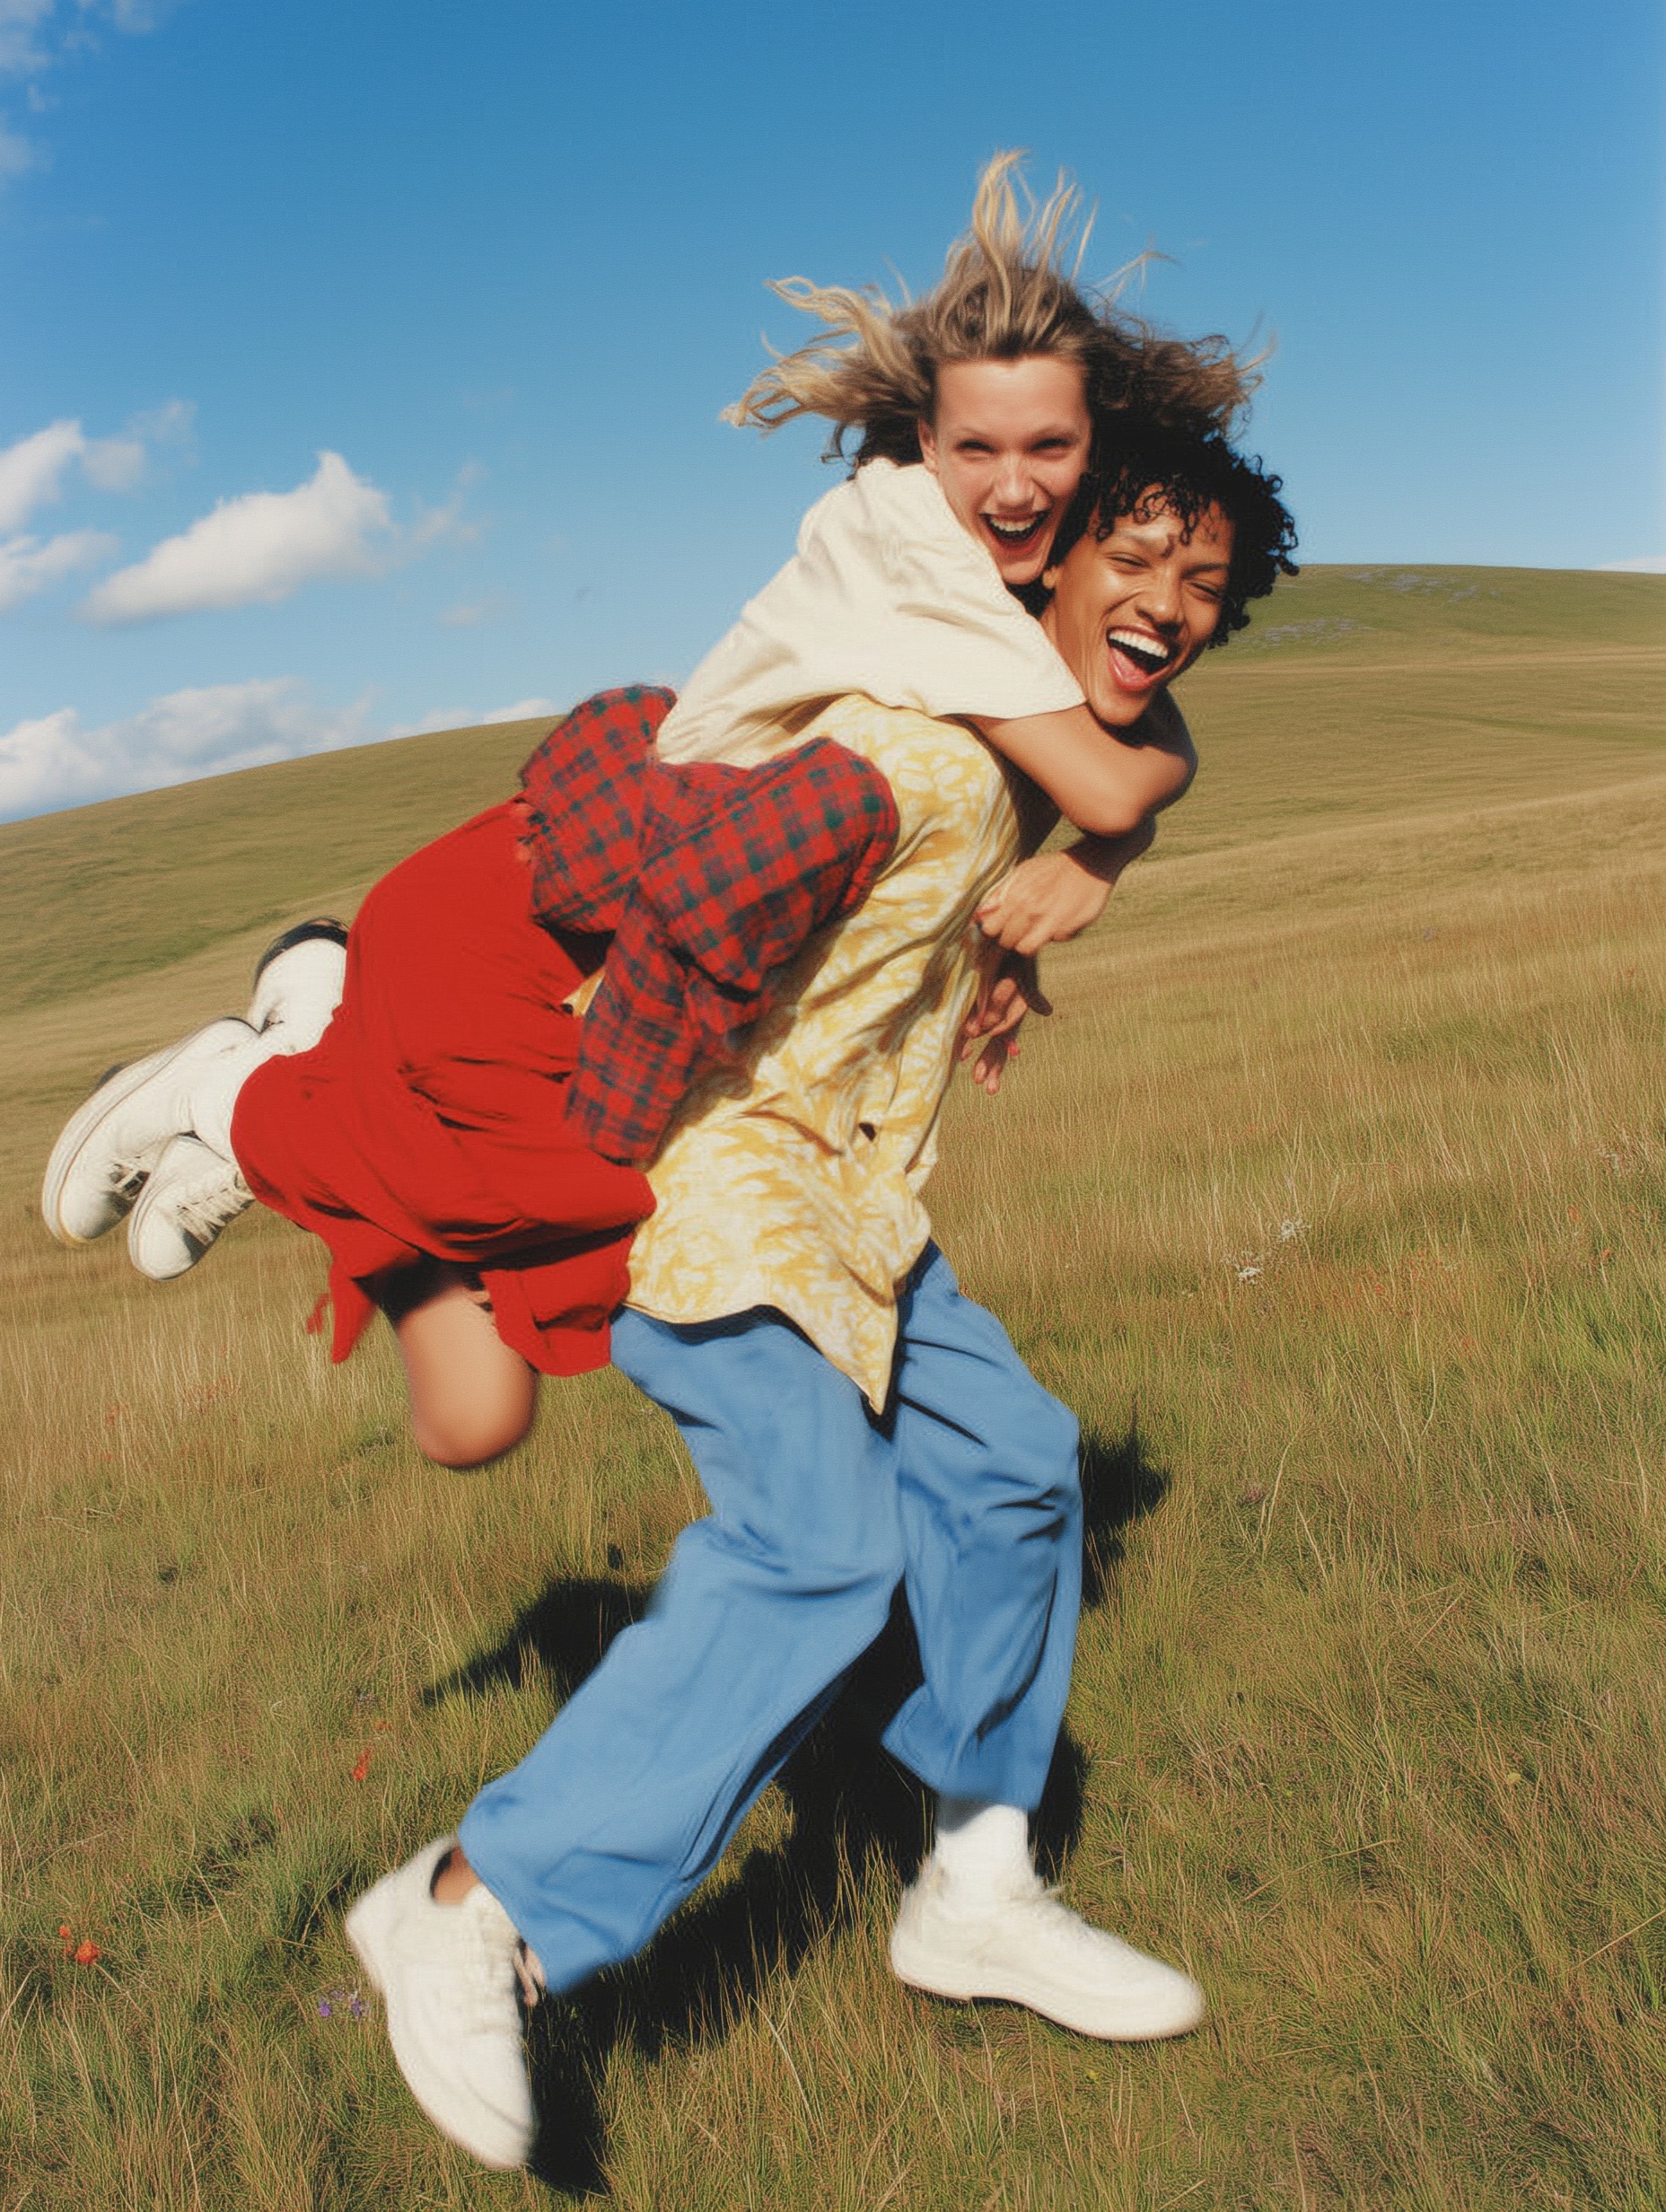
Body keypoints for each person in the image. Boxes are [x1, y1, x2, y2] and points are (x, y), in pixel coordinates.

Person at [340, 423, 1298, 2169]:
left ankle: (975, 1881)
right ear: (1044, 558)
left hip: (855, 1196)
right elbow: (679, 933)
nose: (1163, 608)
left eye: (1203, 591)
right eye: (1134, 560)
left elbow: (1138, 752)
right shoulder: (908, 744)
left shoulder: (1051, 739)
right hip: (709, 1175)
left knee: (1011, 1464)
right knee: (818, 1551)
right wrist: (584, 1198)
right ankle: (478, 1899)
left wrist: (1101, 846)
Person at [41, 154, 1251, 1467]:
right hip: (545, 923)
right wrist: (1110, 849)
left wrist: (1105, 847)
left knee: (474, 1422)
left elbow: (1142, 714)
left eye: (1050, 451)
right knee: (576, 1189)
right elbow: (1120, 770)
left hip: (647, 938)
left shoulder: (1012, 575)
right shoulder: (913, 546)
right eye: (978, 448)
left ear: (1094, 451)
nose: (1014, 486)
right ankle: (244, 1100)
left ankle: (319, 1041)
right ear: (926, 442)